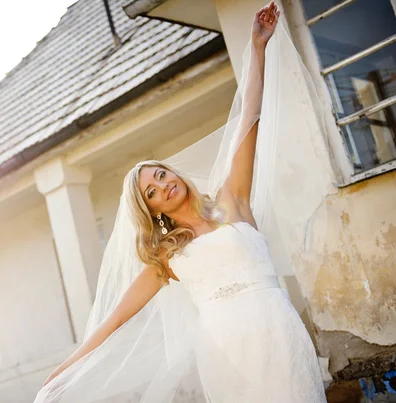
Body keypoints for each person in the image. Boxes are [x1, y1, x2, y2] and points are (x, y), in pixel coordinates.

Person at [35, 2, 327, 402]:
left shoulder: (232, 203)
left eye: (160, 175)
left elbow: (249, 117)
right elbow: (115, 319)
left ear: (173, 173)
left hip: (280, 333)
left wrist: (256, 48)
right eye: (151, 193)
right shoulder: (167, 256)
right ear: (152, 211)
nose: (163, 186)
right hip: (227, 355)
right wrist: (64, 370)